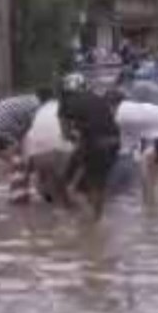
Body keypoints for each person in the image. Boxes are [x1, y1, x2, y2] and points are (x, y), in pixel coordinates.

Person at [106, 91, 158, 202]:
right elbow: (131, 142)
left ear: (111, 105)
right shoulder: (130, 107)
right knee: (154, 161)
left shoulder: (119, 116)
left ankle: (149, 206)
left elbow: (124, 149)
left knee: (145, 164)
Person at [0, 88, 52, 203]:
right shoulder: (36, 107)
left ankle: (21, 190)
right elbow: (33, 135)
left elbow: (25, 134)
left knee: (19, 158)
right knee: (19, 160)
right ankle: (18, 196)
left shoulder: (27, 101)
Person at [58, 86, 121, 220]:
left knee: (68, 182)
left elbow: (66, 134)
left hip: (95, 145)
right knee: (98, 184)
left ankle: (91, 224)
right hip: (114, 143)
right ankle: (98, 218)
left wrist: (75, 138)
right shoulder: (97, 97)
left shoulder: (64, 103)